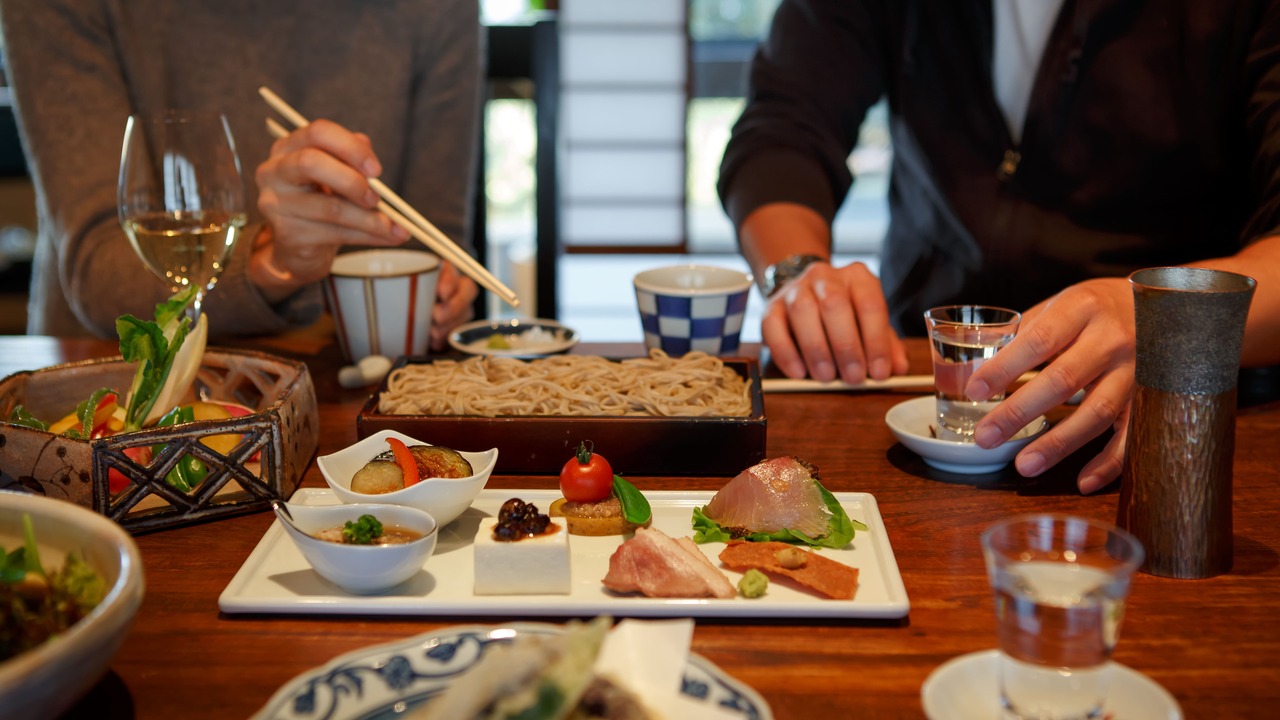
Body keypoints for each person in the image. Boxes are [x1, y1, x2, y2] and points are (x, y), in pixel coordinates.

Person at [718, 0, 1280, 493]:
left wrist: (1170, 324)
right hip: (911, 381)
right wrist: (796, 272)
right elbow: (784, 124)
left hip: (1174, 416)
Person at [0, 0, 482, 350]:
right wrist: (279, 259)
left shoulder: (434, 11)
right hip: (115, 389)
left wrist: (443, 295)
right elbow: (102, 270)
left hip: (350, 381)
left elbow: (435, 243)